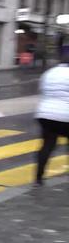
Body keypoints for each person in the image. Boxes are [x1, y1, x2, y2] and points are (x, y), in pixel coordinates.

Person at [34, 53, 69, 187]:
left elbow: (42, 91)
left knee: (47, 145)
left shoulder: (49, 73)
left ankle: (38, 179)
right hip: (66, 115)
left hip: (45, 114)